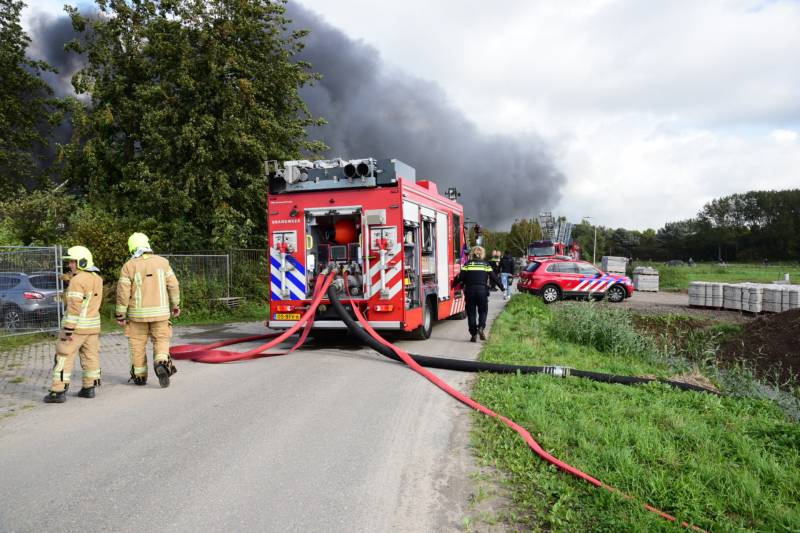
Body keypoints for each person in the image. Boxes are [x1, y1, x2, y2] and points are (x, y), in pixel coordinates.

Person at [115, 232, 180, 388]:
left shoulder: (129, 266)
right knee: (161, 340)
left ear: (133, 247)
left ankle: (139, 376)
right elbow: (173, 285)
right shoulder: (163, 262)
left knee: (137, 344)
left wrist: (120, 314)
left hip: (138, 316)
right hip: (161, 314)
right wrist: (176, 304)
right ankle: (161, 362)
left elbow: (123, 293)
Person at [44, 246, 103, 403]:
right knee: (90, 356)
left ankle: (58, 391)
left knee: (63, 356)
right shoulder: (97, 278)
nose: (70, 265)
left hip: (76, 327)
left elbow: (74, 308)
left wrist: (68, 330)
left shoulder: (77, 280)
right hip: (92, 327)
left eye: (73, 262)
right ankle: (89, 388)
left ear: (82, 262)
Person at [452, 246, 503, 343]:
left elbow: (461, 277)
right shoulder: (485, 264)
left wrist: (453, 284)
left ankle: (473, 334)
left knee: (471, 313)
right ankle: (481, 327)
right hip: (482, 291)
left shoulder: (467, 264)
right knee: (483, 311)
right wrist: (502, 287)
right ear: (482, 254)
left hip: (470, 291)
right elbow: (494, 277)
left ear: (472, 254)